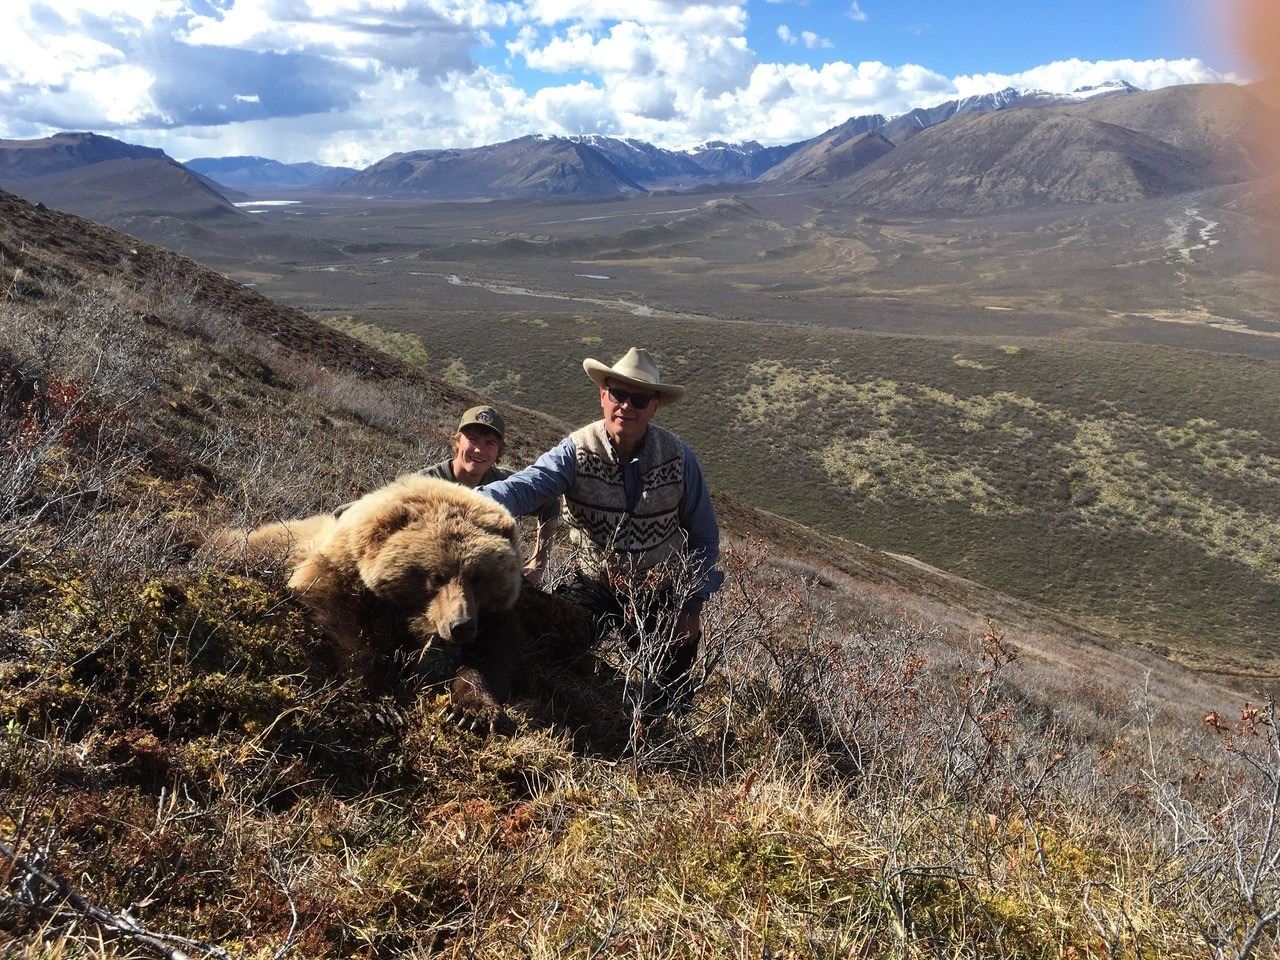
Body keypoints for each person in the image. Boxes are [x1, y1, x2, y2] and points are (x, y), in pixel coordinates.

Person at [478, 348, 722, 720]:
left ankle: (665, 726)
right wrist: (470, 502)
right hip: (595, 583)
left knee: (671, 689)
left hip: (659, 590)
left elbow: (704, 537)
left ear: (654, 406)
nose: (626, 406)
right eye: (618, 394)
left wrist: (690, 607)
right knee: (545, 649)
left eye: (639, 399)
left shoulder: (679, 458)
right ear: (602, 396)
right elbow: (524, 488)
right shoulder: (575, 451)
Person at [423, 405, 559, 584]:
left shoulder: (506, 485)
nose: (479, 450)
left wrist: (538, 563)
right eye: (473, 439)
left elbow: (550, 504)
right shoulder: (426, 483)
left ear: (498, 451)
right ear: (458, 441)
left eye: (490, 442)